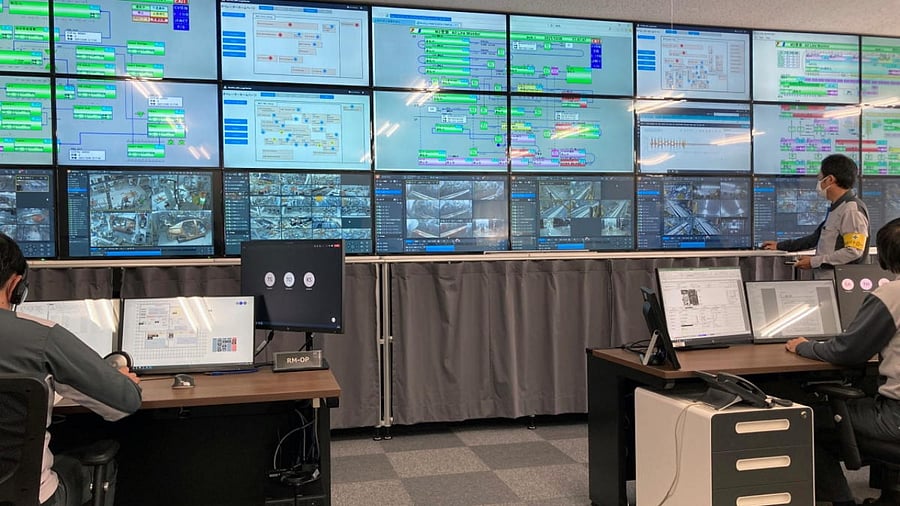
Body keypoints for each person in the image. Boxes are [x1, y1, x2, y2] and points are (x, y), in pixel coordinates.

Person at [0, 233, 142, 506]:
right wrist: (117, 377)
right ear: (16, 286)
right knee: (83, 465)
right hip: (27, 498)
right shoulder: (40, 337)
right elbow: (126, 401)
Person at [785, 216, 900, 506]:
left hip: (895, 419)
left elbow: (846, 352)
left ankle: (841, 501)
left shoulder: (892, 295)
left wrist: (805, 346)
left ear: (885, 259)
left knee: (803, 422)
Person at [762, 153, 869, 273]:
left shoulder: (851, 210)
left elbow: (853, 251)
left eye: (819, 178)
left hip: (841, 282)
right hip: (829, 279)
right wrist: (781, 246)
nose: (818, 182)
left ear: (829, 180)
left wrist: (814, 262)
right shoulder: (837, 207)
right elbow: (816, 238)